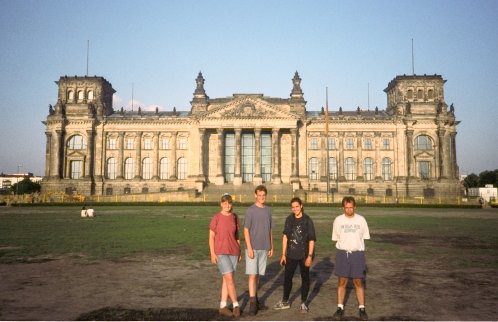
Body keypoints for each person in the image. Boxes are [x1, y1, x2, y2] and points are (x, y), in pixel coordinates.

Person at [273, 197, 316, 313]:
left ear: (301, 206)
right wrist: (283, 254)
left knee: (305, 278)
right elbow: (285, 237)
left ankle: (303, 303)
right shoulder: (289, 219)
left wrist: (310, 256)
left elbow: (312, 239)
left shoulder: (307, 220)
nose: (295, 209)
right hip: (290, 255)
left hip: (304, 255)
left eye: (297, 206)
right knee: (287, 278)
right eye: (293, 207)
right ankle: (285, 301)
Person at [331, 196, 370, 321]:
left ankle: (362, 308)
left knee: (358, 282)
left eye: (351, 207)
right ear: (343, 207)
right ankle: (340, 308)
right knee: (342, 281)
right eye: (346, 208)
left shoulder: (361, 220)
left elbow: (363, 237)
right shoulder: (338, 220)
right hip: (343, 254)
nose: (349, 210)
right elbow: (336, 237)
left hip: (357, 254)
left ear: (355, 207)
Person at [209, 194, 241, 317]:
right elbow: (211, 236)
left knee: (226, 279)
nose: (227, 205)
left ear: (231, 204)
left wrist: (239, 250)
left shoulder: (234, 217)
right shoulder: (216, 217)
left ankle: (222, 305)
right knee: (229, 278)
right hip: (221, 251)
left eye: (229, 203)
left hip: (234, 252)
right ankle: (235, 304)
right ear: (221, 204)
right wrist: (212, 253)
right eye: (225, 203)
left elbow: (237, 236)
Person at [244, 185, 273, 316]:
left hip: (264, 247)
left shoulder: (268, 210)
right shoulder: (250, 210)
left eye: (263, 195)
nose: (261, 197)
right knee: (252, 275)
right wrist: (249, 247)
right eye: (259, 195)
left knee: (258, 276)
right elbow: (246, 230)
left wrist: (271, 246)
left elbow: (270, 229)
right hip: (253, 248)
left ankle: (255, 300)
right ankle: (252, 305)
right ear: (255, 195)